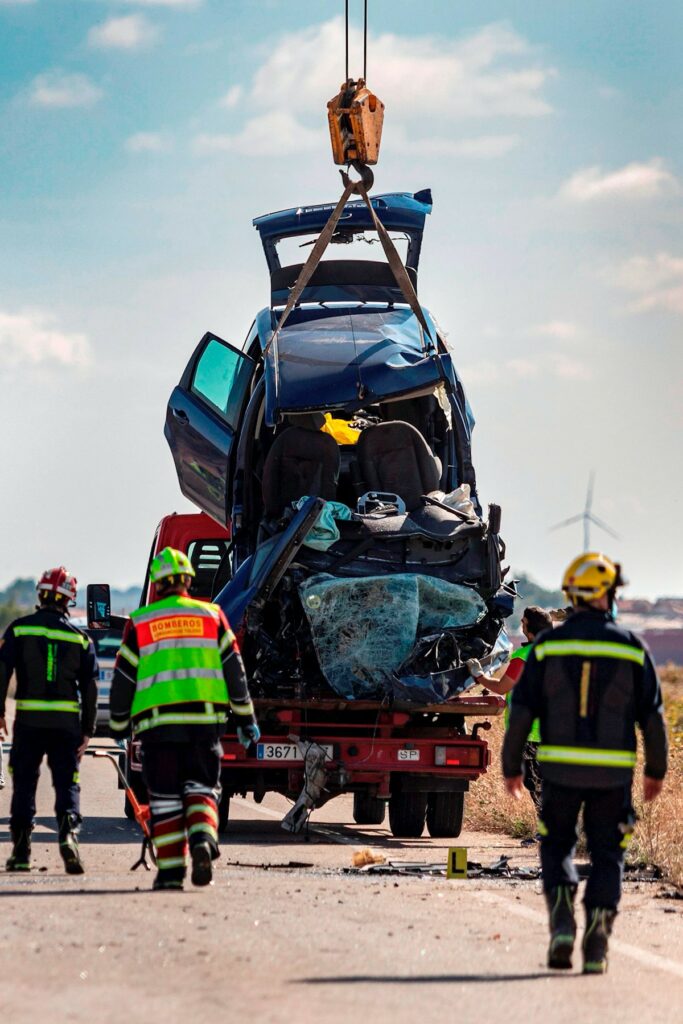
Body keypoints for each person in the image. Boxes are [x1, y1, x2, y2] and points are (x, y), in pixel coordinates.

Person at [502, 553, 668, 974]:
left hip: (558, 770)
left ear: (571, 595)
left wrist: (511, 765)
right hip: (612, 773)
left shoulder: (547, 646)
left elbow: (521, 708)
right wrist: (656, 769)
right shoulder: (632, 648)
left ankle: (562, 921)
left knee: (557, 845)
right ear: (608, 595)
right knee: (608, 852)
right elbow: (652, 715)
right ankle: (597, 940)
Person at [109, 547, 260, 891]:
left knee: (164, 801)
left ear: (158, 585)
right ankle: (204, 838)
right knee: (202, 789)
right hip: (205, 727)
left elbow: (124, 679)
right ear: (189, 581)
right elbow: (234, 672)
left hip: (157, 729)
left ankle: (171, 874)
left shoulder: (141, 621)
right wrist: (246, 717)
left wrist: (118, 724)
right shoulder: (213, 616)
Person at [0, 568, 98, 874]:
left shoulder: (18, 630)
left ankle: (20, 851)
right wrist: (87, 730)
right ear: (69, 600)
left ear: (41, 595)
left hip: (28, 722)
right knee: (68, 783)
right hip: (65, 725)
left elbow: (1, 673)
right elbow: (91, 689)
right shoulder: (81, 640)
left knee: (24, 784)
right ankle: (68, 837)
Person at [467, 605, 553, 812]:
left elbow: (502, 686)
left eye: (523, 623)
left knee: (535, 782)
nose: (521, 626)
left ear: (530, 630)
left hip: (530, 732)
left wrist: (479, 675)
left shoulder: (523, 656)